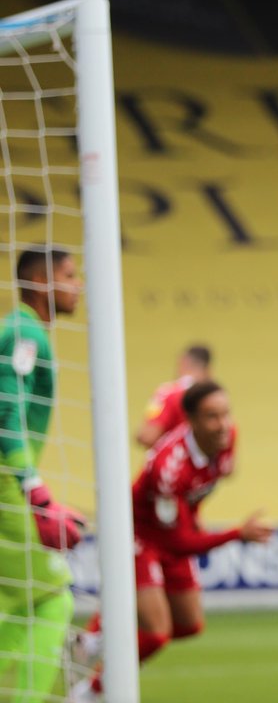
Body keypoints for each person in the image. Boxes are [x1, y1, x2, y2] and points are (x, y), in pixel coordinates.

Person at [73, 380, 273, 699]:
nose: (223, 424)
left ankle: (99, 637)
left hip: (172, 531)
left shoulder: (227, 438)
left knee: (190, 624)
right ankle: (88, 693)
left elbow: (208, 484)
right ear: (190, 420)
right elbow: (180, 543)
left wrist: (192, 515)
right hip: (139, 536)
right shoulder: (168, 466)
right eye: (212, 417)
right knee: (156, 634)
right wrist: (237, 533)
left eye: (226, 414)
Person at [0, 248, 84, 701]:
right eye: (69, 275)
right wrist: (35, 489)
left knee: (26, 600)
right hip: (7, 484)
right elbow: (5, 411)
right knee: (53, 597)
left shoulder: (20, 330)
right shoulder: (25, 334)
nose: (78, 285)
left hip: (9, 483)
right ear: (39, 281)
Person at [135, 343, 213, 448]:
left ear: (184, 362)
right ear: (208, 371)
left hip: (173, 457)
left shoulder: (168, 393)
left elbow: (148, 436)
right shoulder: (214, 398)